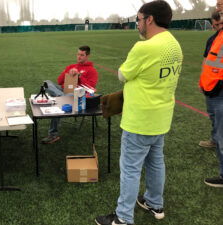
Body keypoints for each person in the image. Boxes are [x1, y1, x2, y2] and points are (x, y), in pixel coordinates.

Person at [95, 1, 183, 224]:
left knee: (130, 170)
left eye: (139, 19)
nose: (137, 24)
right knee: (156, 163)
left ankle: (123, 218)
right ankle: (155, 203)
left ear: (149, 19)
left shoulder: (144, 47)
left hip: (140, 120)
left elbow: (122, 75)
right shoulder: (174, 44)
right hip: (161, 118)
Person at [41, 46, 98, 144]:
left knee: (60, 101)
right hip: (64, 91)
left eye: (82, 55)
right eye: (78, 54)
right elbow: (59, 81)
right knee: (46, 83)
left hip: (76, 95)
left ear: (87, 56)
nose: (79, 57)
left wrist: (79, 76)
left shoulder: (91, 70)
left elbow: (91, 89)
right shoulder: (71, 66)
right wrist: (67, 72)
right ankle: (61, 97)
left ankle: (53, 135)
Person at [200, 0, 223, 188]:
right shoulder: (216, 37)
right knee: (218, 129)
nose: (218, 6)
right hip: (212, 90)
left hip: (220, 91)